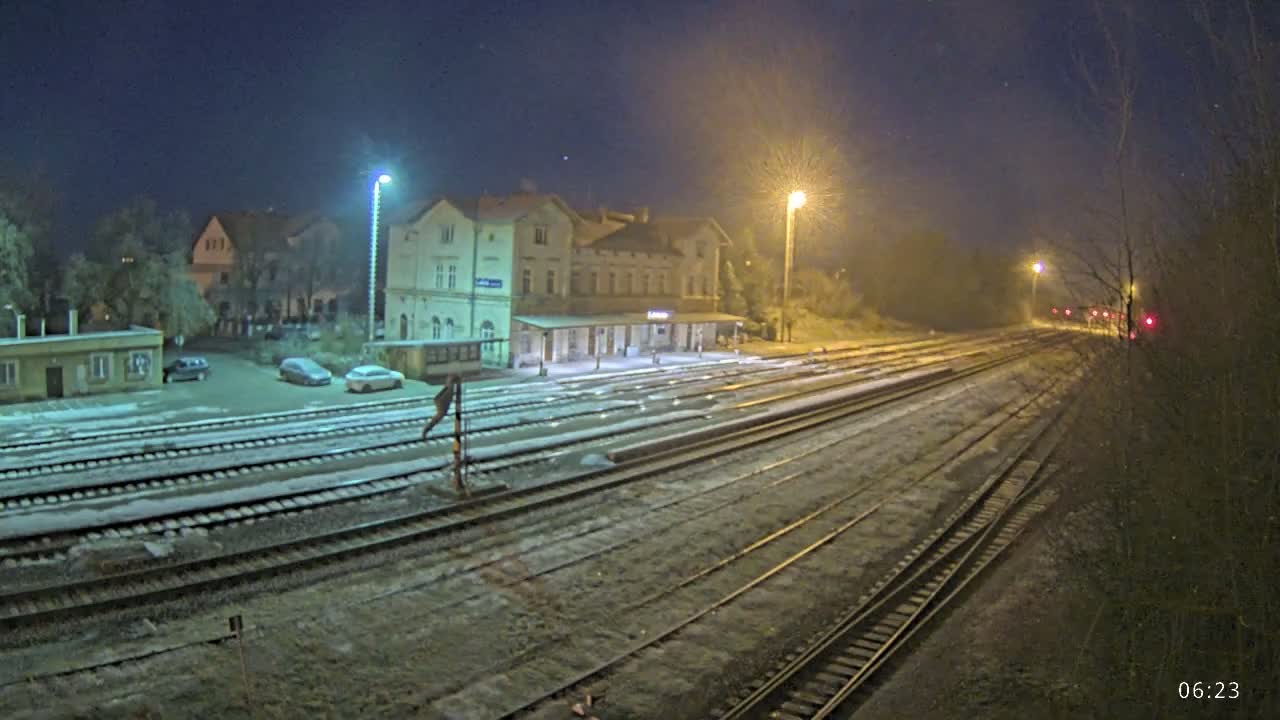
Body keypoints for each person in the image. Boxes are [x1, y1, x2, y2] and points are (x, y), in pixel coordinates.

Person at [421, 374, 461, 442]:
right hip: (442, 402)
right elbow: (450, 397)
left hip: (441, 400)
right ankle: (425, 431)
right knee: (439, 416)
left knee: (439, 416)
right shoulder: (451, 387)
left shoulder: (450, 386)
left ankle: (426, 431)